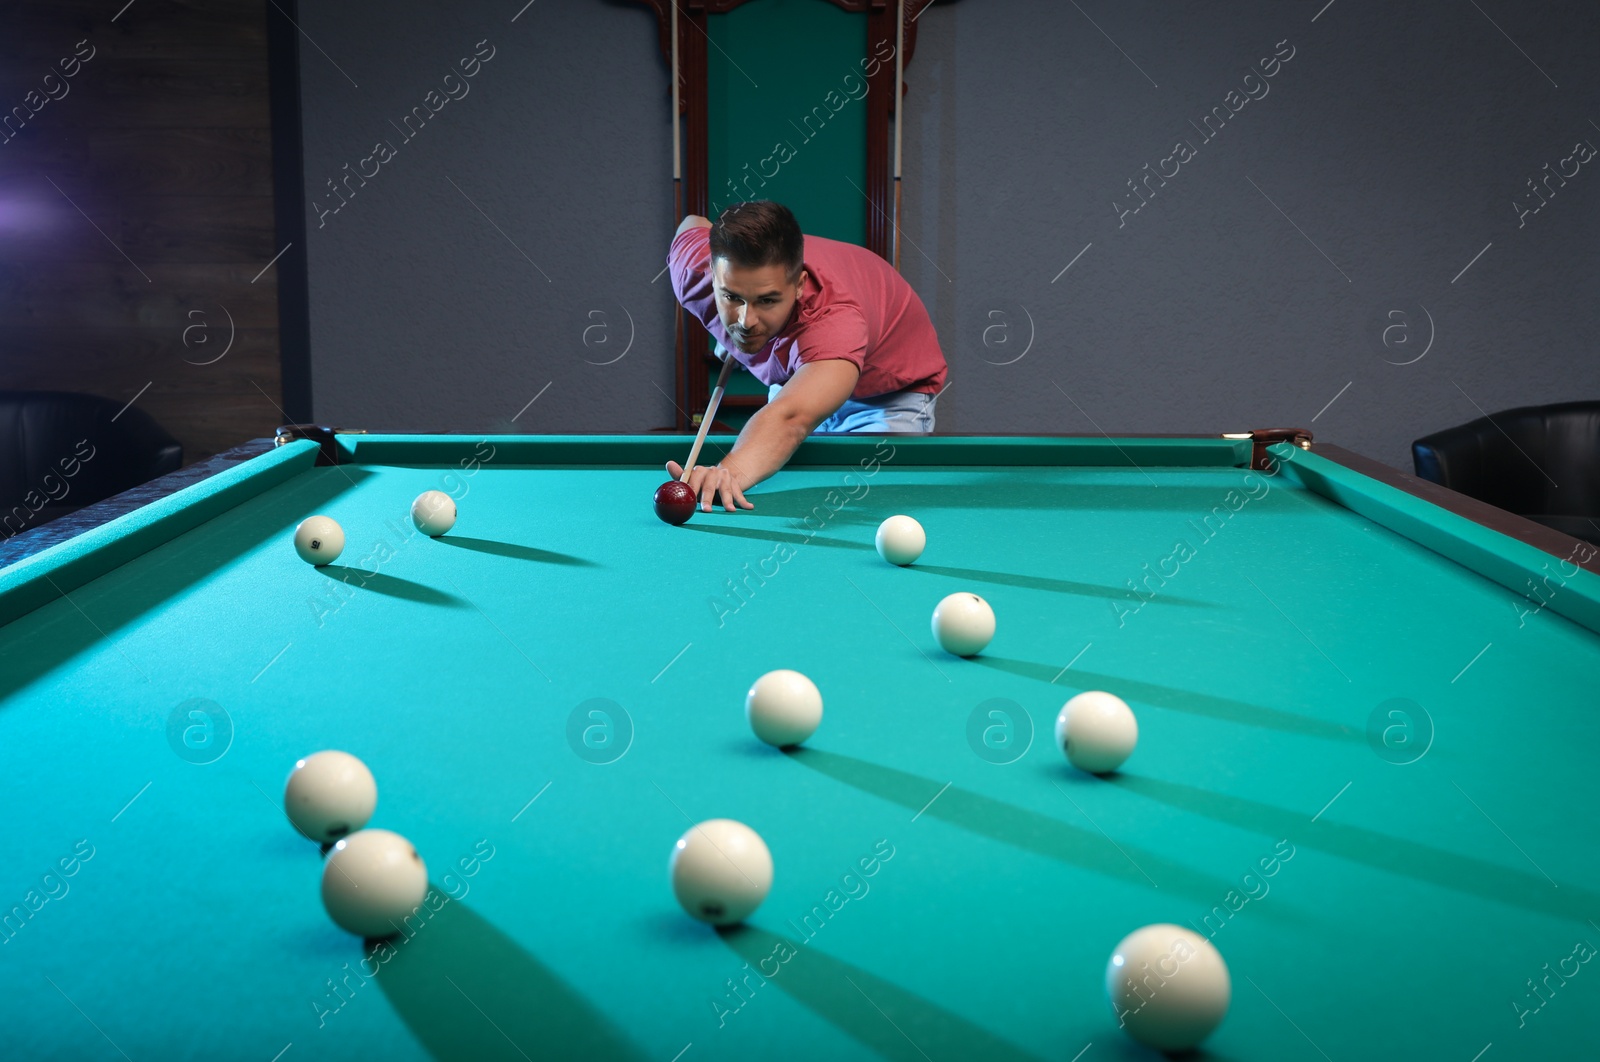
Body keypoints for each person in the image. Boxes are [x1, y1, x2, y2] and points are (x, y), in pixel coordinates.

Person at [665, 200, 948, 512]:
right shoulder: (692, 270)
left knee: (872, 507)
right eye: (732, 296)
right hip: (802, 377)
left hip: (885, 400)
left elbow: (791, 418)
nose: (746, 321)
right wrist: (725, 329)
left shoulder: (833, 321)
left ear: (798, 286)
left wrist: (727, 473)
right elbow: (692, 223)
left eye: (767, 300)